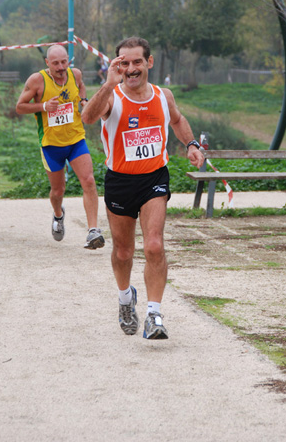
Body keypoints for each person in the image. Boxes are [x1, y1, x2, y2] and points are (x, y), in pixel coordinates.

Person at [81, 36, 204, 339]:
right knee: (124, 251)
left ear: (149, 62)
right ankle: (125, 299)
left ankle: (154, 315)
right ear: (118, 65)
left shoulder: (163, 96)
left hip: (154, 179)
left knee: (154, 245)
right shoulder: (113, 97)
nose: (132, 68)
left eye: (137, 62)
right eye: (125, 63)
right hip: (121, 182)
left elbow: (177, 120)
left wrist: (190, 143)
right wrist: (109, 84)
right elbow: (87, 118)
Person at [16, 44, 105, 250]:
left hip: (76, 140)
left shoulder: (75, 75)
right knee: (58, 191)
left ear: (68, 61)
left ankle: (93, 231)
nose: (60, 67)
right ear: (47, 63)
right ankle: (58, 215)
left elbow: (81, 86)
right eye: (55, 63)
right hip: (51, 145)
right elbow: (20, 106)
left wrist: (83, 100)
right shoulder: (37, 80)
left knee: (89, 180)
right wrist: (43, 106)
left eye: (63, 62)